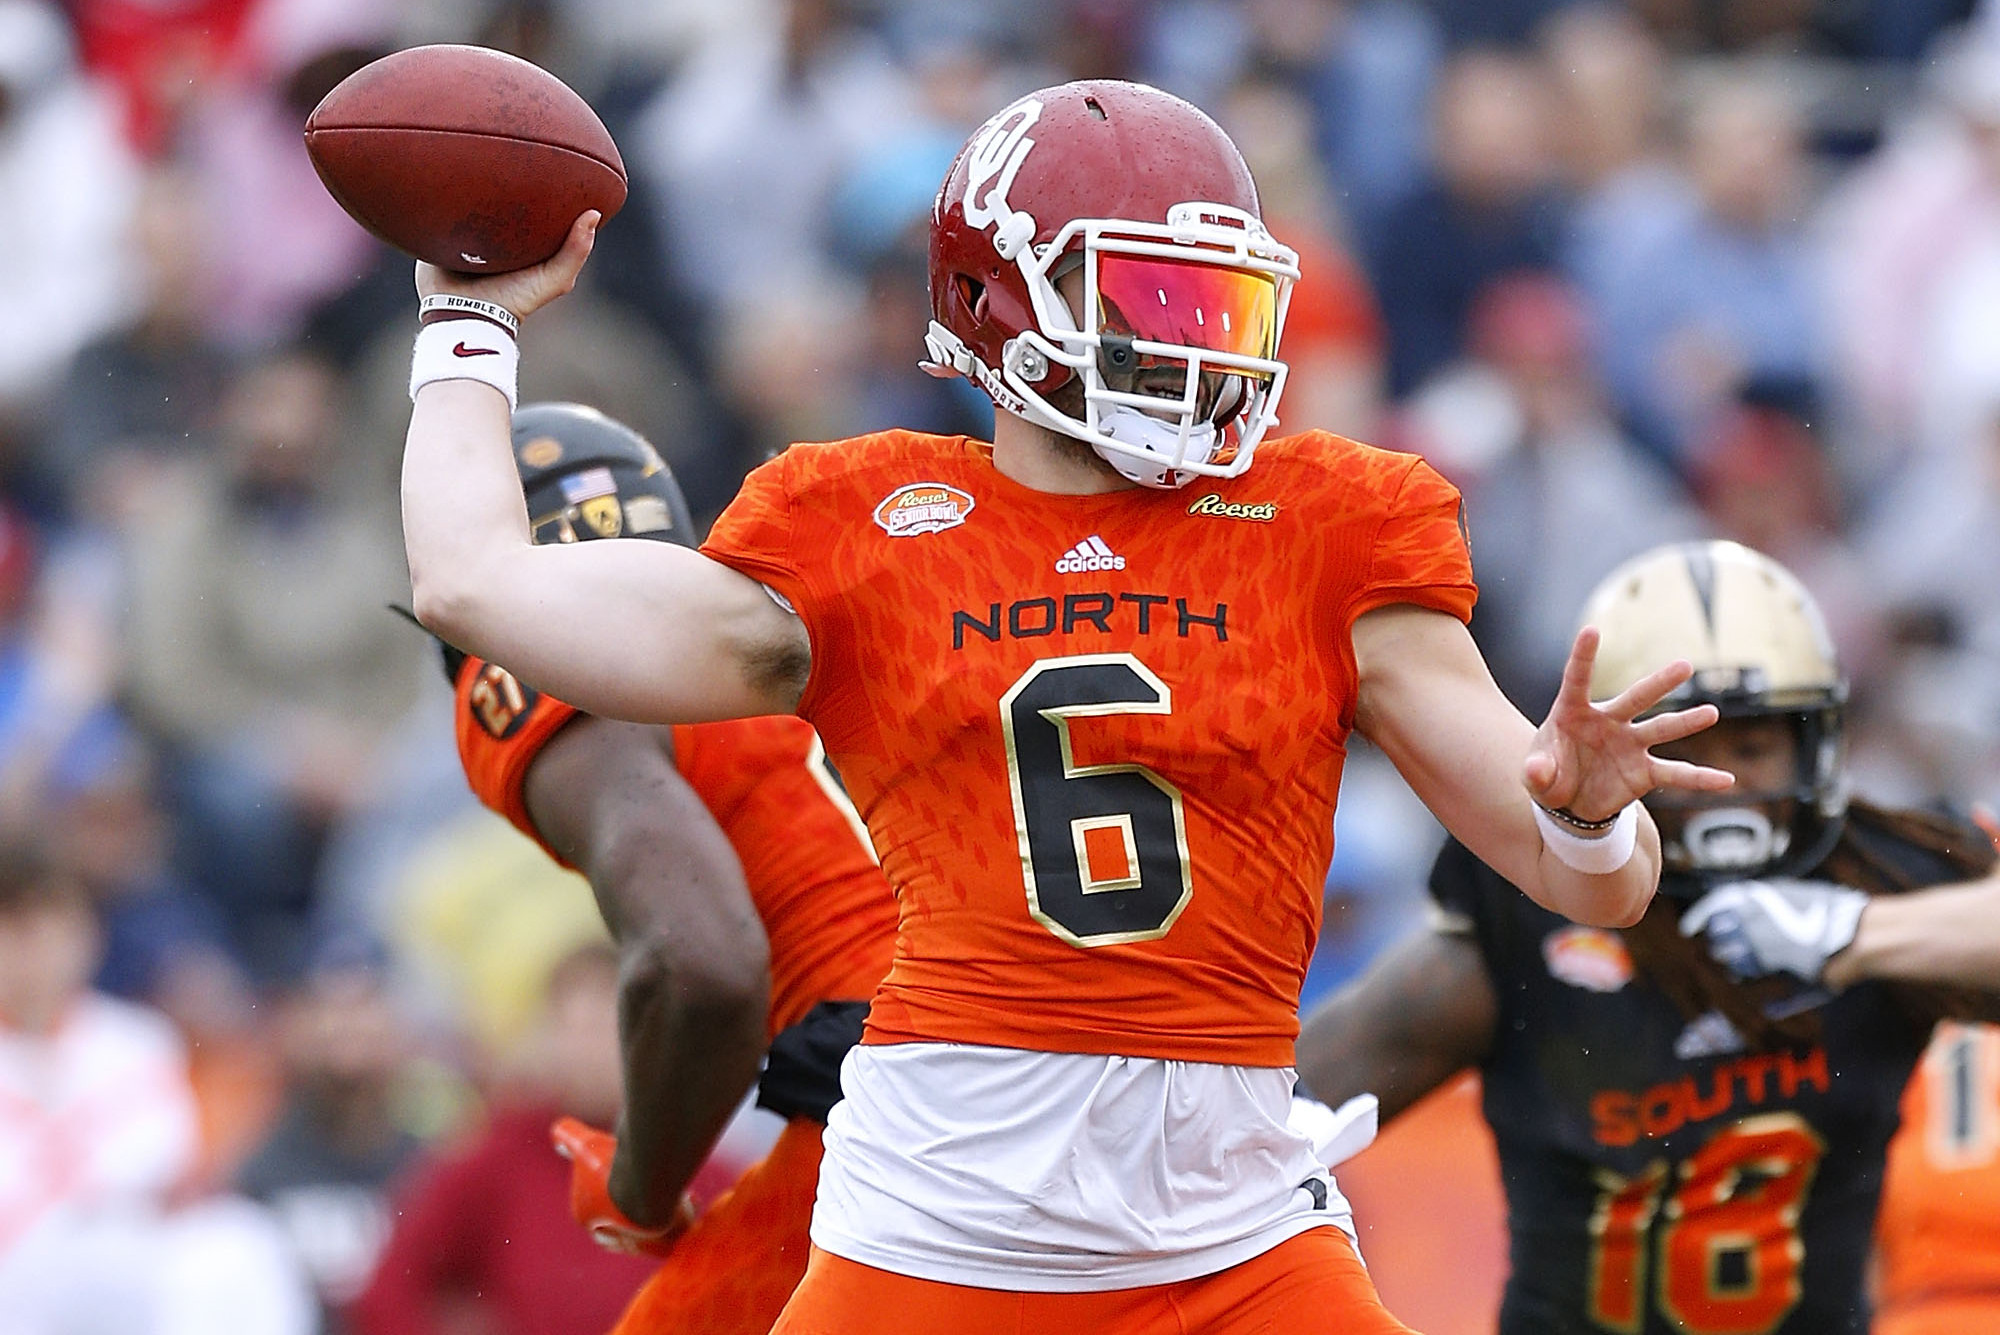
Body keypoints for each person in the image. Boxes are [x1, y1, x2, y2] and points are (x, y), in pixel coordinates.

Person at [394, 80, 1730, 1333]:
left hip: (1229, 1229)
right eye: (1157, 296)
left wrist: (1598, 819)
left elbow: (1588, 883)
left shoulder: (1323, 520)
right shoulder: (868, 522)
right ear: (1000, 300)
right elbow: (474, 580)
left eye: (1222, 305)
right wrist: (470, 322)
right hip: (934, 1222)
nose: (1201, 345)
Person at [1296, 539, 2000, 1335]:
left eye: (1752, 746)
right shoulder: (1534, 920)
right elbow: (1277, 1116)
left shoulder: (1872, 880)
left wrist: (1863, 933)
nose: (1717, 785)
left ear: (1815, 745)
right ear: (1607, 750)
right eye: (1679, 751)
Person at [438, 402, 897, 1334]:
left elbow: (705, 967)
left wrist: (642, 1181)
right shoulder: (759, 631)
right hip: (1070, 1037)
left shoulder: (535, 661)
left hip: (912, 1085)